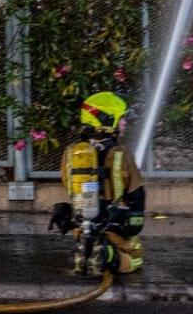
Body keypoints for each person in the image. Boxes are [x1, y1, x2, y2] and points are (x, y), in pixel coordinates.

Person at [52, 91, 146, 274]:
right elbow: (137, 193)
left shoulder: (71, 153)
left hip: (81, 225)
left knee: (88, 240)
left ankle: (84, 252)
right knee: (136, 258)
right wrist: (134, 222)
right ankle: (108, 254)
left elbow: (68, 184)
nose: (124, 122)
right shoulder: (121, 154)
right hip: (114, 227)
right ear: (107, 119)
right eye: (121, 118)